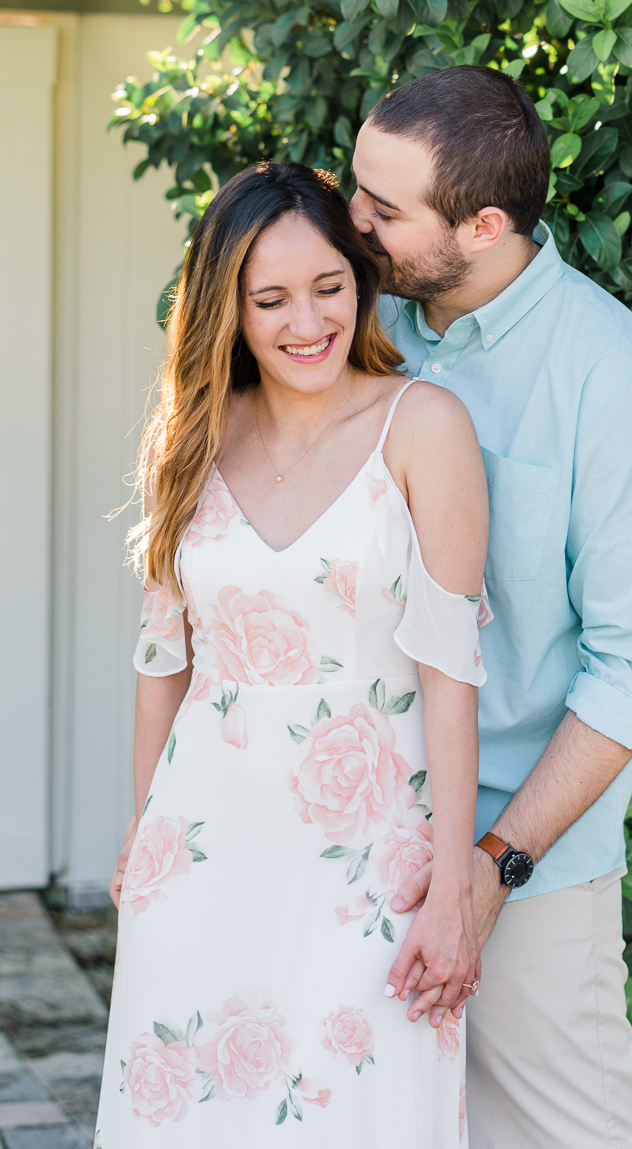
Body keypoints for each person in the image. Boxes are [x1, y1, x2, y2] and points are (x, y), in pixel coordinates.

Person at [98, 162, 489, 1146]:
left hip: (370, 872)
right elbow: (162, 666)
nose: (304, 322)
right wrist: (146, 843)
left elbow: (452, 680)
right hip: (202, 856)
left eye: (328, 287)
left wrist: (453, 888)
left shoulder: (424, 427)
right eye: (270, 299)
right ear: (227, 307)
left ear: (360, 282)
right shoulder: (188, 439)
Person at [349, 65, 632, 1149]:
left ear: (485, 225)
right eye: (354, 185)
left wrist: (494, 865)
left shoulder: (613, 383)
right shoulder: (359, 320)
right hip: (355, 834)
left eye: (384, 209)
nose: (349, 220)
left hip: (525, 865)